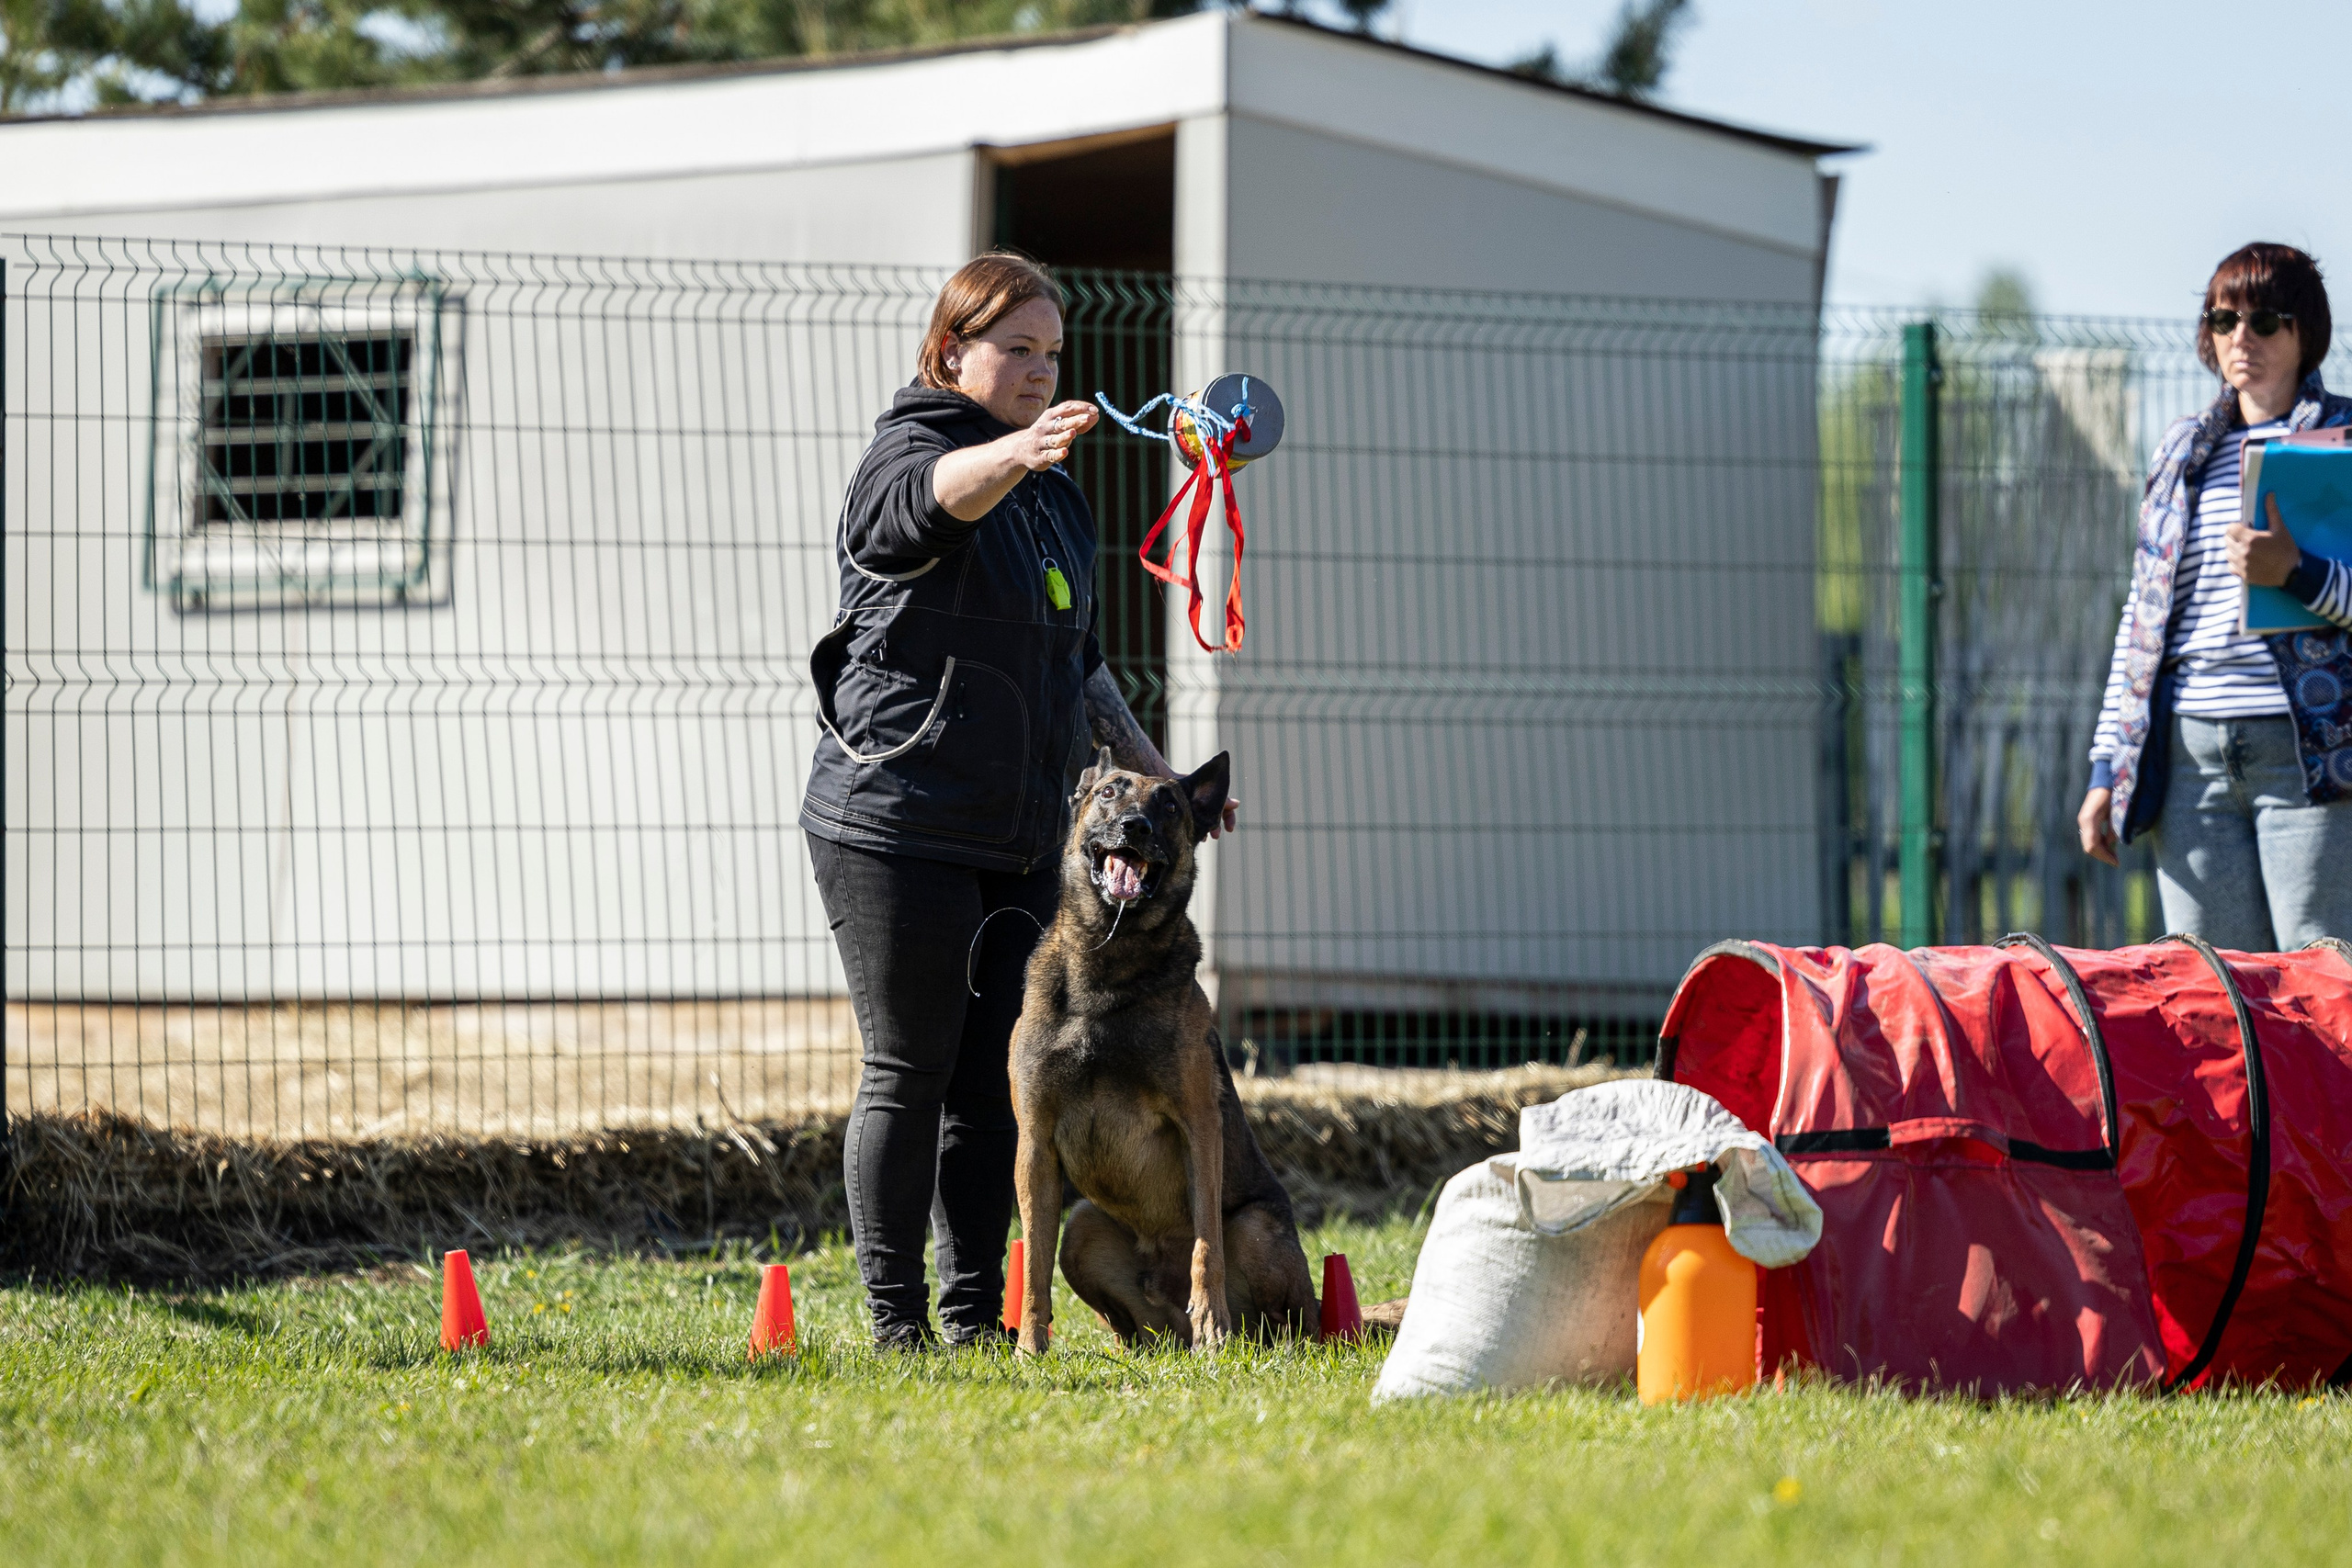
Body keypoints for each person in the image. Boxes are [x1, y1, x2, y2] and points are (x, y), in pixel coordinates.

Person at [799, 252, 1237, 1349]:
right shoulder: (910, 450)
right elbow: (921, 513)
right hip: (896, 816)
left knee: (992, 1086)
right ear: (952, 352)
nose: (1041, 373)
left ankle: (969, 1320)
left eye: (1052, 355)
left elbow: (1079, 661)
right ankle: (898, 1327)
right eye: (1016, 351)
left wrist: (1165, 779)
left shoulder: (1049, 491)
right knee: (911, 1064)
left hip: (1012, 828)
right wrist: (1012, 452)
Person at [2078, 243, 2352, 948]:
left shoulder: (2343, 439)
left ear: (2305, 333)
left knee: (2320, 984)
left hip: (2310, 757)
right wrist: (2107, 766)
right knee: (2214, 990)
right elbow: (2140, 624)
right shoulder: (2181, 451)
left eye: (2266, 320)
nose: (2242, 338)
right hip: (2189, 758)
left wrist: (2296, 572)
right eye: (2225, 319)